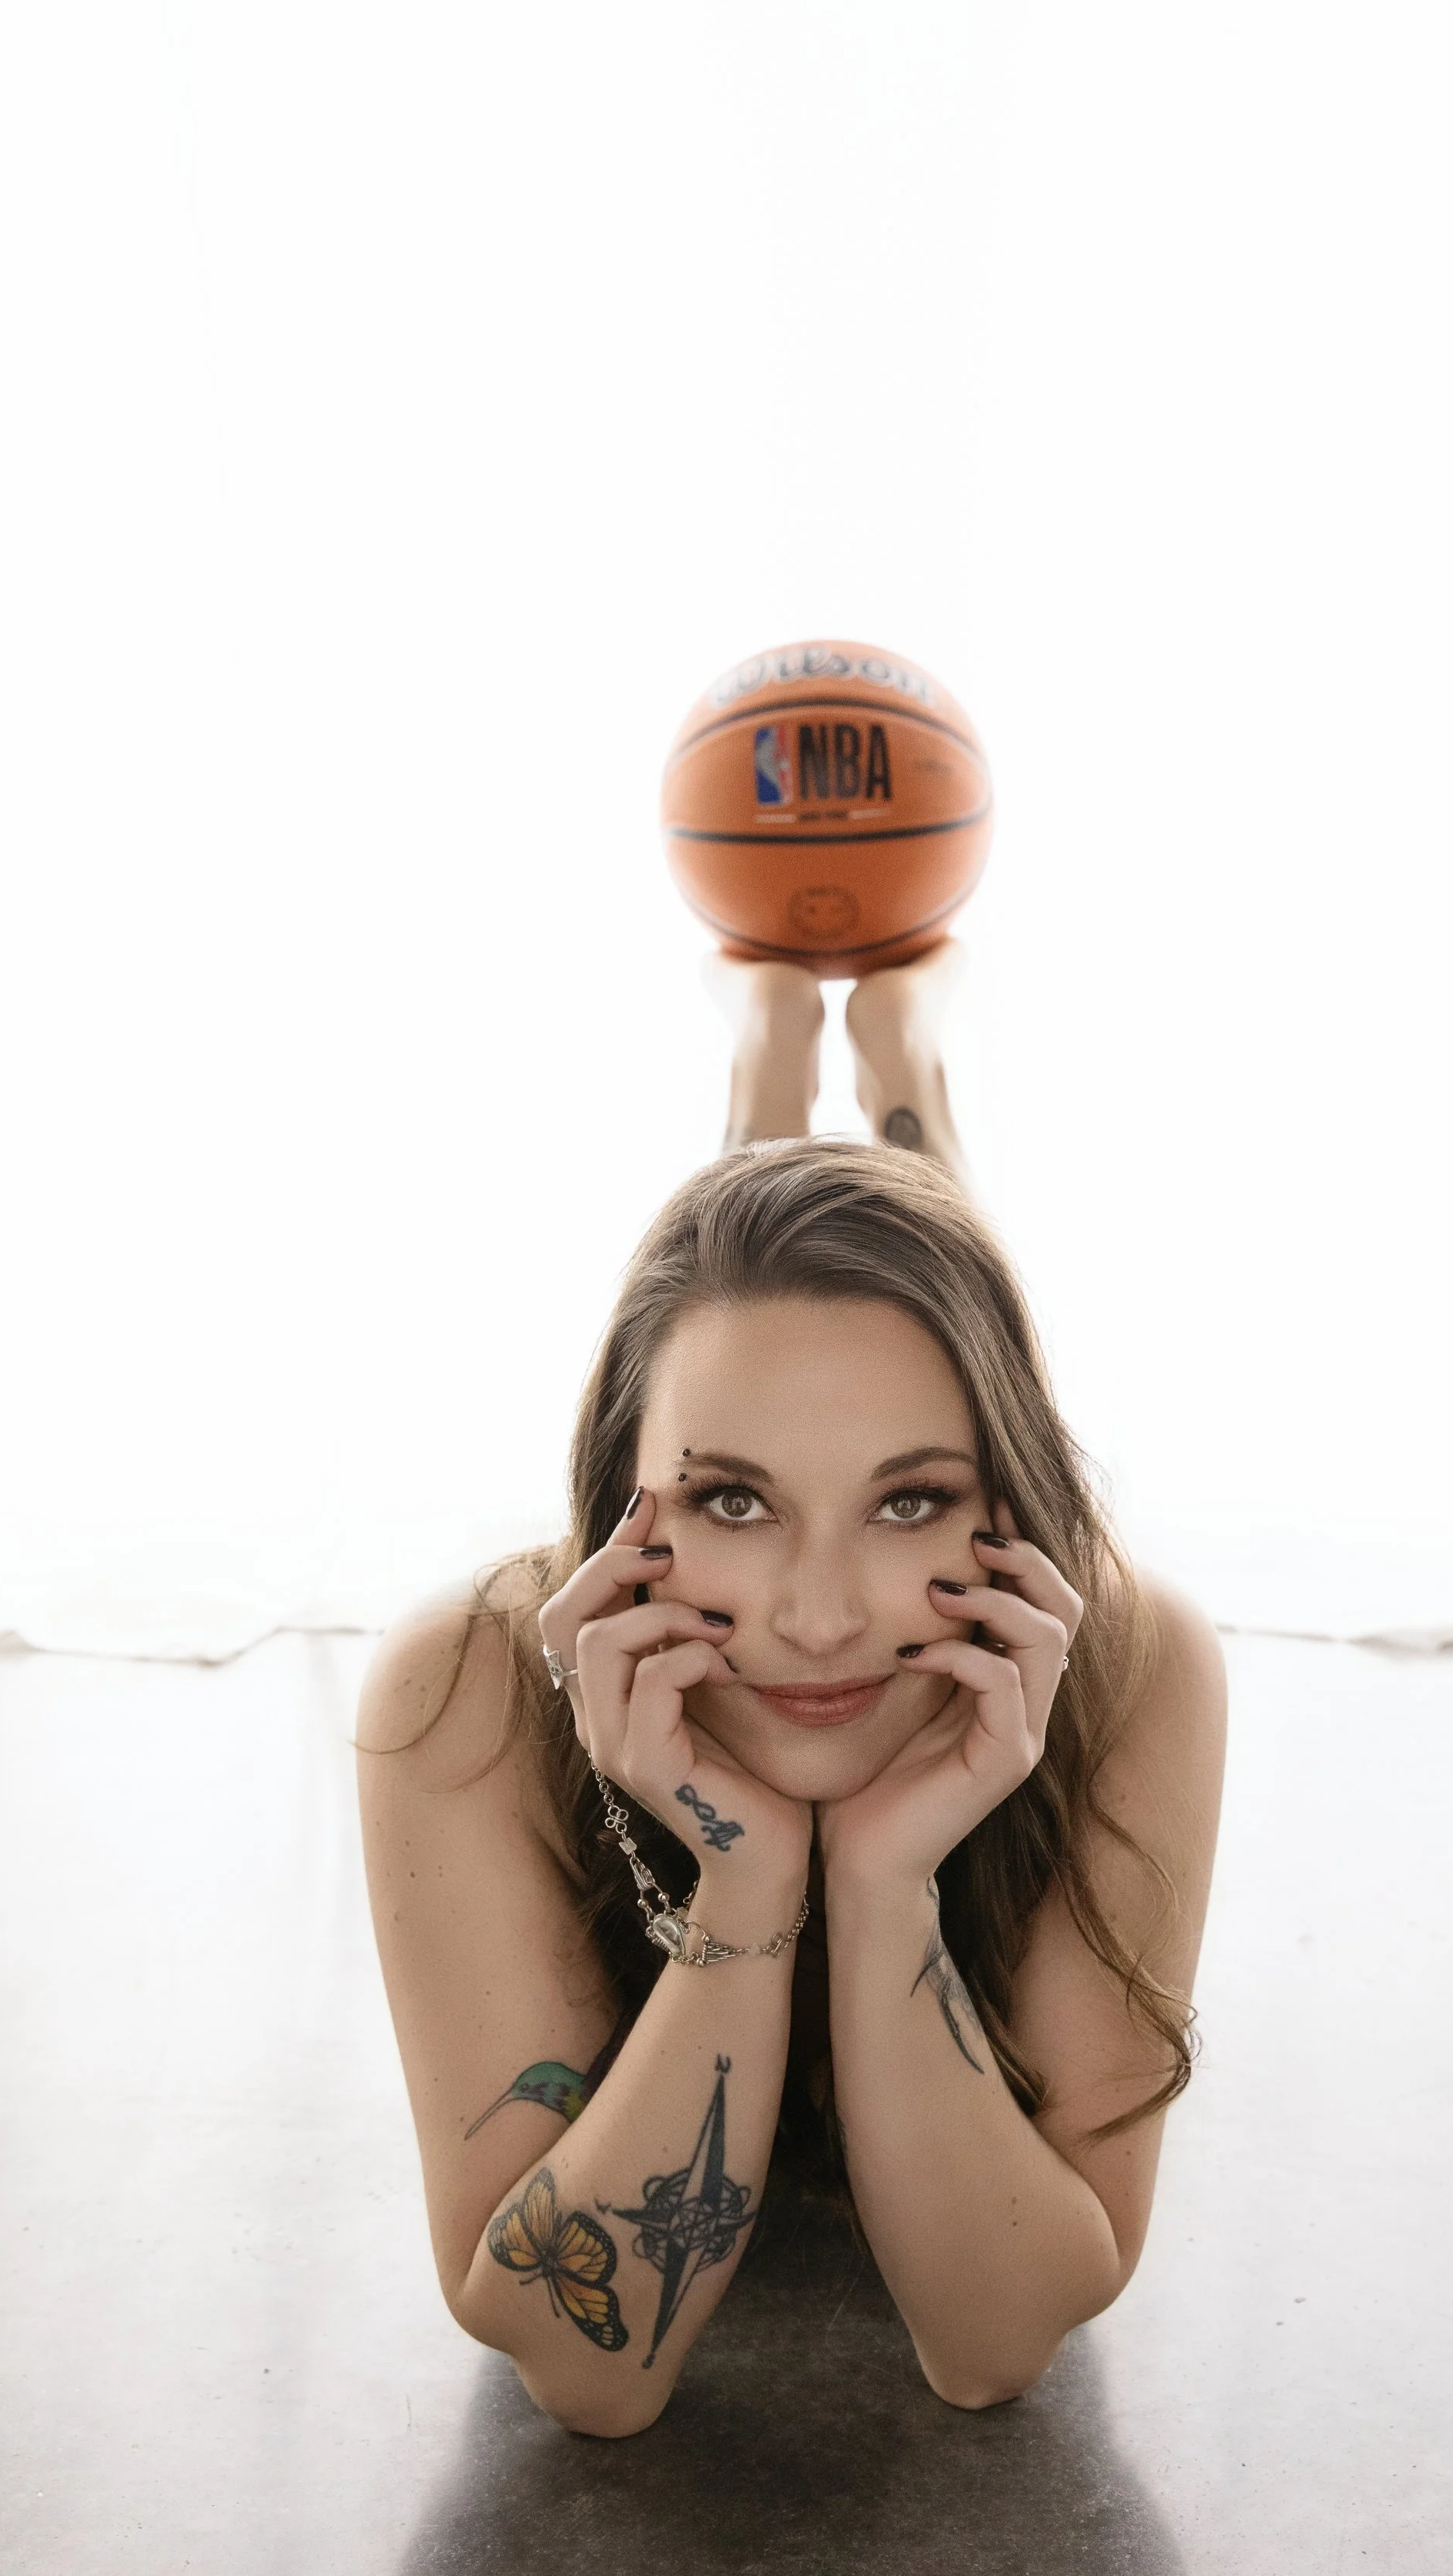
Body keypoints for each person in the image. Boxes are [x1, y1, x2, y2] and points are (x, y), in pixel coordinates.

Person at [357, 944, 1224, 2437]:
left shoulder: (1131, 1667)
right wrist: (745, 1879)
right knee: (776, 1310)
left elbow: (993, 2345)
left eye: (912, 1503)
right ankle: (776, 1082)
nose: (818, 1625)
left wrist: (885, 1878)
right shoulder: (463, 1692)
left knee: (863, 1327)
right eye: (729, 1504)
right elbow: (584, 2373)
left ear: (1002, 1516)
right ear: (619, 1511)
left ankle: (899, 1078)